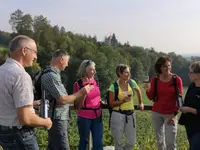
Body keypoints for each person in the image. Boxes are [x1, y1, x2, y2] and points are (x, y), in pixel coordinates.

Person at [0, 35, 52, 150]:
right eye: (34, 52)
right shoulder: (21, 76)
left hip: (3, 134)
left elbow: (5, 101)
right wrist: (45, 122)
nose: (35, 57)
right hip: (20, 135)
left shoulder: (1, 71)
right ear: (24, 51)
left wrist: (30, 104)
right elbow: (26, 118)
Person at [41, 49, 91, 150]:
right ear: (61, 59)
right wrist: (81, 92)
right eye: (67, 61)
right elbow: (62, 100)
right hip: (57, 119)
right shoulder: (51, 76)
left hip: (57, 118)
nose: (67, 65)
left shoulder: (53, 74)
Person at [144, 56, 183, 150]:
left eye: (169, 65)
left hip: (171, 114)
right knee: (160, 141)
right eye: (165, 66)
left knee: (171, 143)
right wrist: (147, 89)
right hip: (157, 113)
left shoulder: (176, 79)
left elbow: (180, 100)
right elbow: (150, 97)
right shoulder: (155, 79)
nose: (167, 68)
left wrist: (174, 115)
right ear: (160, 67)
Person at [108, 64, 144, 150]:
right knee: (118, 141)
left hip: (130, 114)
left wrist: (141, 102)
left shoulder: (132, 82)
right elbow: (111, 103)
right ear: (120, 74)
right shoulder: (114, 86)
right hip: (117, 114)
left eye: (129, 72)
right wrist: (122, 101)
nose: (128, 74)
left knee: (131, 142)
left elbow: (138, 91)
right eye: (126, 72)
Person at [73, 60, 103, 150]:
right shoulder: (78, 84)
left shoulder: (96, 82)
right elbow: (77, 105)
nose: (94, 71)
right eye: (91, 69)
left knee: (98, 142)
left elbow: (97, 96)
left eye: (94, 69)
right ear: (84, 70)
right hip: (84, 117)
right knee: (84, 141)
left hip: (97, 115)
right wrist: (84, 93)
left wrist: (100, 101)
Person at [179, 61, 200, 150]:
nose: (189, 75)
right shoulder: (192, 86)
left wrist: (191, 110)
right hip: (190, 125)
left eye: (191, 73)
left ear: (198, 74)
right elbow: (187, 102)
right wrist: (182, 106)